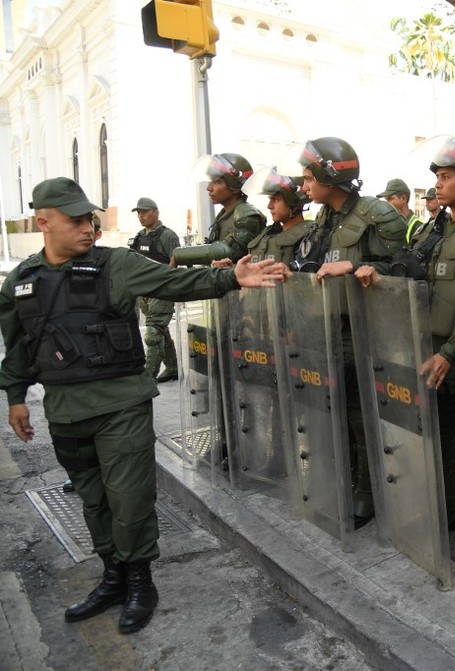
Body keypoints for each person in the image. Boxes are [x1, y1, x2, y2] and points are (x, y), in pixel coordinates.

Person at [0, 177, 285, 634]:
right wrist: (16, 398)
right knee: (92, 501)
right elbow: (17, 345)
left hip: (121, 405)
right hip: (65, 411)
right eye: (74, 221)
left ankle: (139, 582)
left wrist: (232, 276)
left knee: (129, 499)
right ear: (44, 222)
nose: (87, 228)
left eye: (90, 219)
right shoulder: (22, 281)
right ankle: (112, 575)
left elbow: (175, 280)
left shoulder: (116, 265)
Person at [352, 137, 455, 536]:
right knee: (439, 442)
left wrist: (450, 352)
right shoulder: (430, 230)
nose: (438, 185)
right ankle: (447, 519)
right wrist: (381, 275)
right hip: (431, 354)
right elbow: (413, 278)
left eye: (446, 177)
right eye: (437, 177)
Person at [286, 136, 407, 526]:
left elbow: (406, 270)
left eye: (309, 178)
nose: (304, 187)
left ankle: (369, 491)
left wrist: (356, 267)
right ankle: (344, 481)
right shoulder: (324, 218)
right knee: (333, 412)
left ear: (329, 175)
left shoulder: (378, 214)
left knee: (360, 415)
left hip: (365, 332)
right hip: (326, 328)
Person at [127, 197, 181, 383]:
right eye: (138, 213)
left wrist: (165, 280)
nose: (141, 216)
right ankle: (173, 367)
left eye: (144, 212)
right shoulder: (140, 236)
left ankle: (147, 378)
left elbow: (177, 260)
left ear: (156, 212)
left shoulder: (167, 235)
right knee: (160, 329)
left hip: (162, 288)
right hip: (144, 291)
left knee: (153, 333)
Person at [195, 152, 267, 263]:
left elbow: (223, 254)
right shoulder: (225, 215)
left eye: (217, 182)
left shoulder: (246, 217)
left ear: (234, 186)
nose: (209, 188)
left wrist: (180, 254)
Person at [377, 177, 423, 243]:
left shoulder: (419, 226)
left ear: (403, 198)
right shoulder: (391, 224)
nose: (387, 203)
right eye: (386, 200)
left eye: (390, 199)